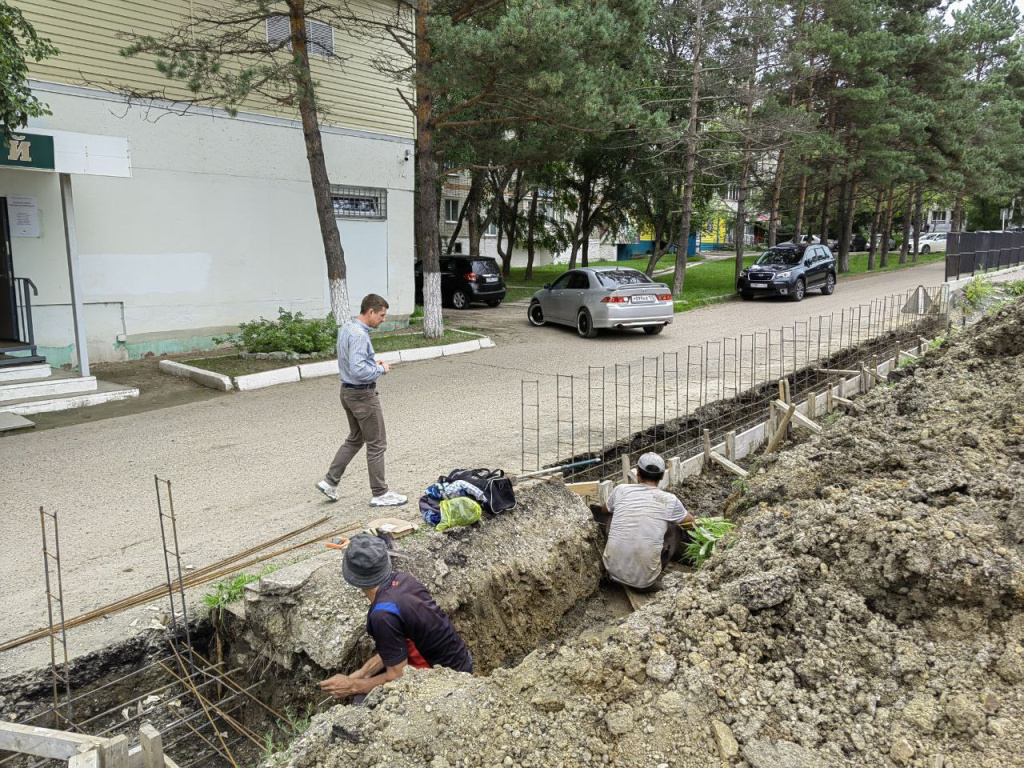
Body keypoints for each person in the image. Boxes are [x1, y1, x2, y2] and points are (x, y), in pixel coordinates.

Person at [320, 534, 473, 700]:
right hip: (461, 661)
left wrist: (352, 686)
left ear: (353, 578)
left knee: (361, 701)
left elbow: (397, 676)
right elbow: (398, 647)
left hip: (445, 682)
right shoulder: (404, 580)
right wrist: (362, 673)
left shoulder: (382, 616)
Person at [316, 294, 406, 507]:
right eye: (382, 315)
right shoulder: (359, 335)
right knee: (377, 443)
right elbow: (358, 370)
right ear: (370, 312)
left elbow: (351, 360)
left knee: (356, 438)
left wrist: (371, 361)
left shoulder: (347, 328)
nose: (383, 319)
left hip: (347, 392)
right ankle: (380, 493)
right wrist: (380, 369)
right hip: (363, 395)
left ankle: (330, 481)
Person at [597, 452, 695, 591]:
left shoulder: (620, 490)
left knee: (612, 514)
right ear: (661, 476)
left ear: (637, 472)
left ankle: (619, 559)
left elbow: (604, 510)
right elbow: (691, 523)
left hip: (611, 570)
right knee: (675, 527)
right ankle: (651, 571)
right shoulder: (669, 500)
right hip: (644, 582)